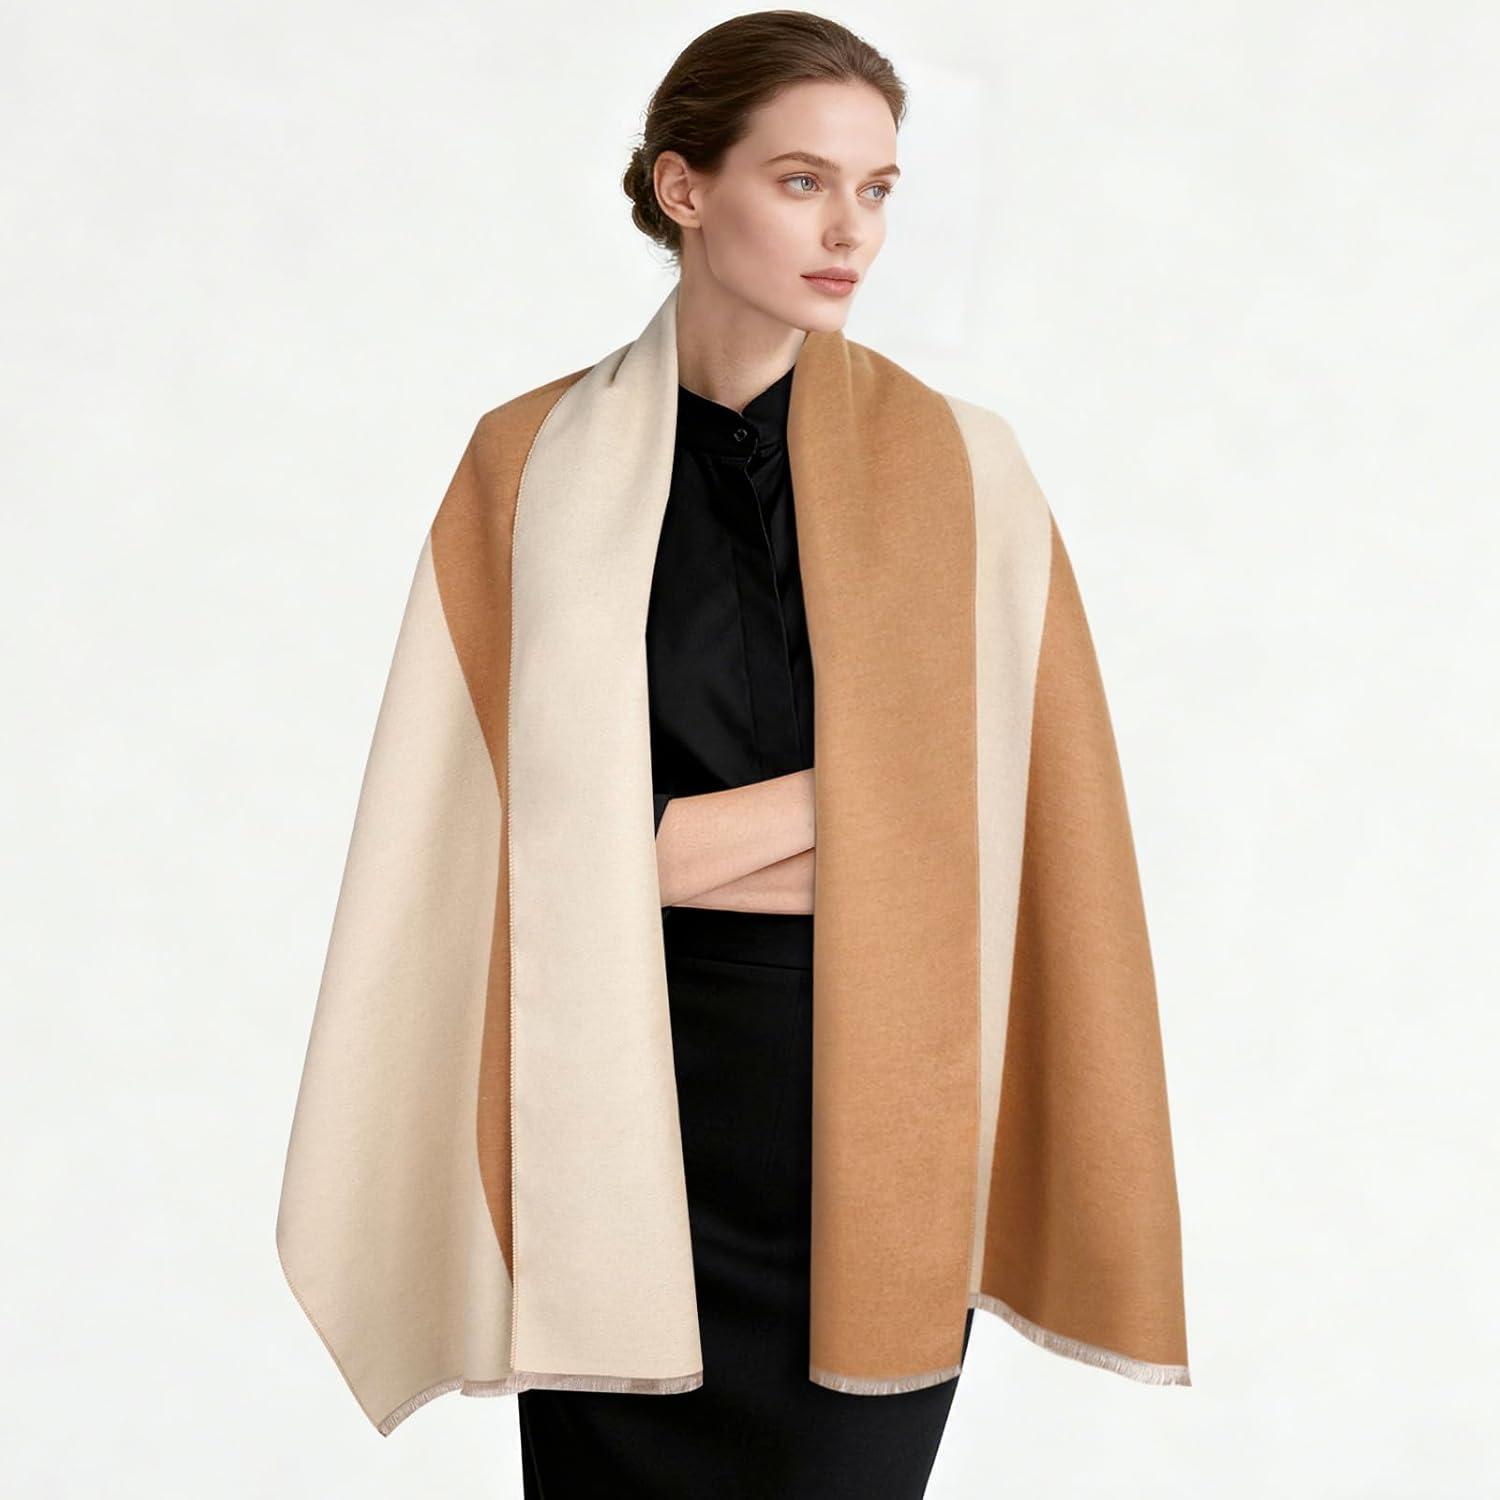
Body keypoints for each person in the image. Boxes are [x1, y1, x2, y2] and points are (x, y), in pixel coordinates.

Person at [513, 12, 975, 1498]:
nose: (852, 231)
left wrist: (657, 847)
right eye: (802, 181)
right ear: (685, 186)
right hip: (619, 1115)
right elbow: (508, 859)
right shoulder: (531, 472)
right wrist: (875, 791)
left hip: (877, 1120)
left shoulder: (961, 471)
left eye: (877, 189)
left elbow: (997, 828)